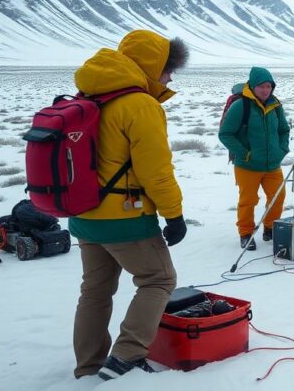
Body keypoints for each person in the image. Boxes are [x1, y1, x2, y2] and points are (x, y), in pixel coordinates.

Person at [69, 29, 189, 380]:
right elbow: (156, 172)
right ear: (153, 66)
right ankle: (125, 359)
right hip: (124, 216)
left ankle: (88, 366)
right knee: (159, 279)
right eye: (168, 70)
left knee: (95, 290)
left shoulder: (90, 95)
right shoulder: (140, 105)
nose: (169, 78)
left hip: (84, 213)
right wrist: (175, 214)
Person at [218, 67, 291, 251]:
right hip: (247, 165)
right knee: (248, 200)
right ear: (252, 86)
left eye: (268, 86)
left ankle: (269, 228)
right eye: (261, 87)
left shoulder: (275, 105)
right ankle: (246, 233)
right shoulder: (241, 106)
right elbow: (225, 134)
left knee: (278, 196)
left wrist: (282, 149)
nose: (265, 90)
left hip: (272, 164)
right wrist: (245, 153)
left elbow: (284, 129)